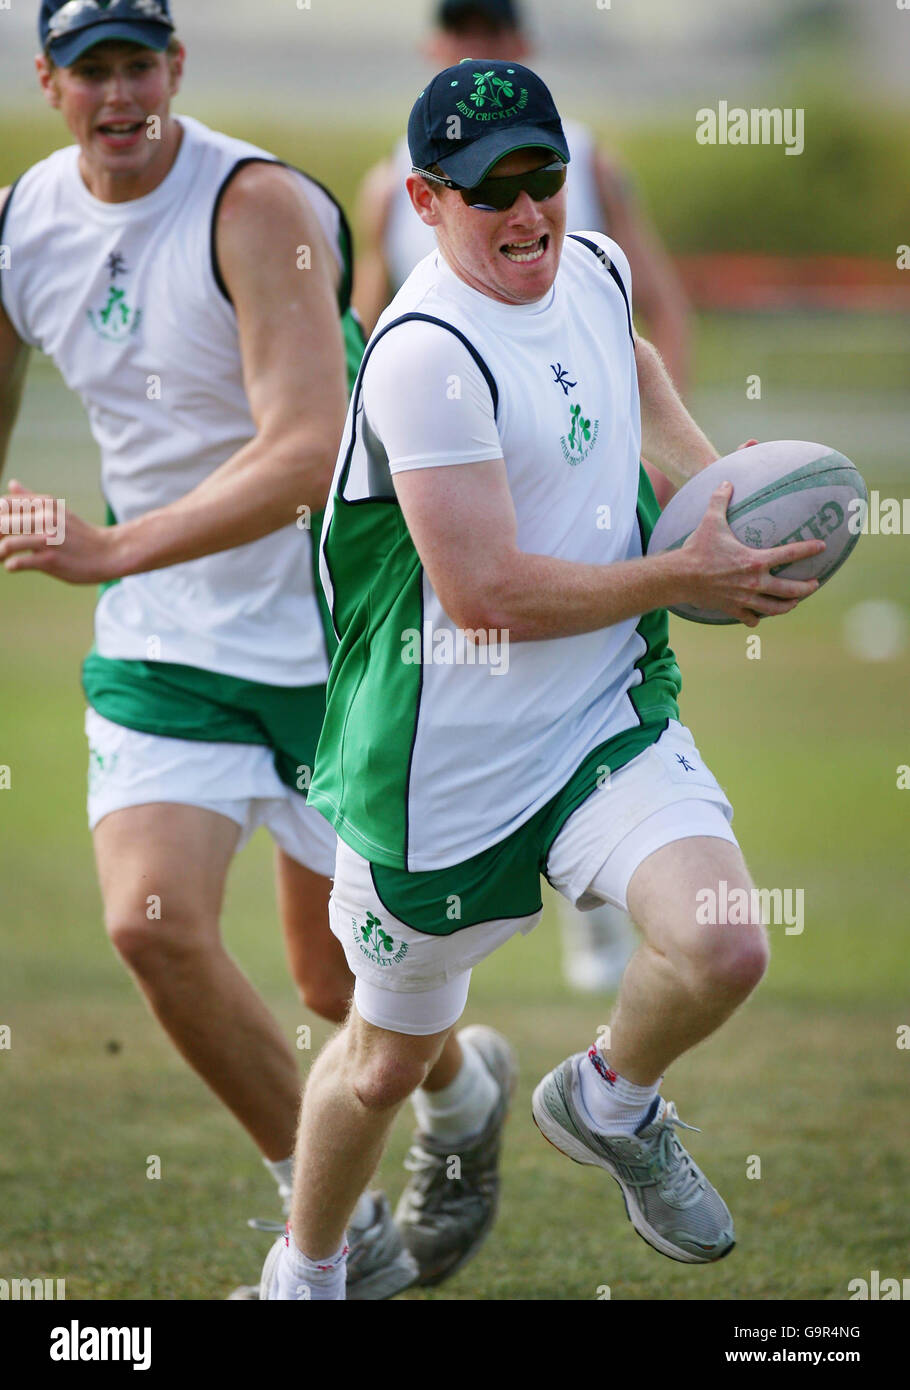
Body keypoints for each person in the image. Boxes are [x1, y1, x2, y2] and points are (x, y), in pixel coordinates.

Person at [260, 59, 825, 1300]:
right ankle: (303, 1273)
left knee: (725, 946)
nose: (526, 214)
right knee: (379, 1066)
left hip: (598, 716)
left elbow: (633, 375)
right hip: (438, 771)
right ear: (425, 196)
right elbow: (485, 594)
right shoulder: (424, 355)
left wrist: (720, 501)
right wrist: (686, 572)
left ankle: (611, 1100)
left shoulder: (592, 265)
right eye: (489, 191)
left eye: (544, 177)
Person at [0, 0, 442, 1300]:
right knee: (152, 925)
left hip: (325, 625)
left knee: (333, 978)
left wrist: (109, 549)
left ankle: (460, 1082)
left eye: (141, 65)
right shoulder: (19, 225)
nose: (120, 94)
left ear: (177, 71)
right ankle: (339, 1225)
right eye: (94, 71)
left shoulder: (253, 209)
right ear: (50, 83)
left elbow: (306, 453)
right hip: (168, 645)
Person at [354, 0, 694, 994]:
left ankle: (603, 916)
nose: (479, 49)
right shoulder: (393, 195)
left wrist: (682, 461)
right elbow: (368, 322)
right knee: (383, 1046)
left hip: (575, 459)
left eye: (539, 179)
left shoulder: (594, 173)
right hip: (456, 484)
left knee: (587, 689)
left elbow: (647, 317)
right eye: (462, 33)